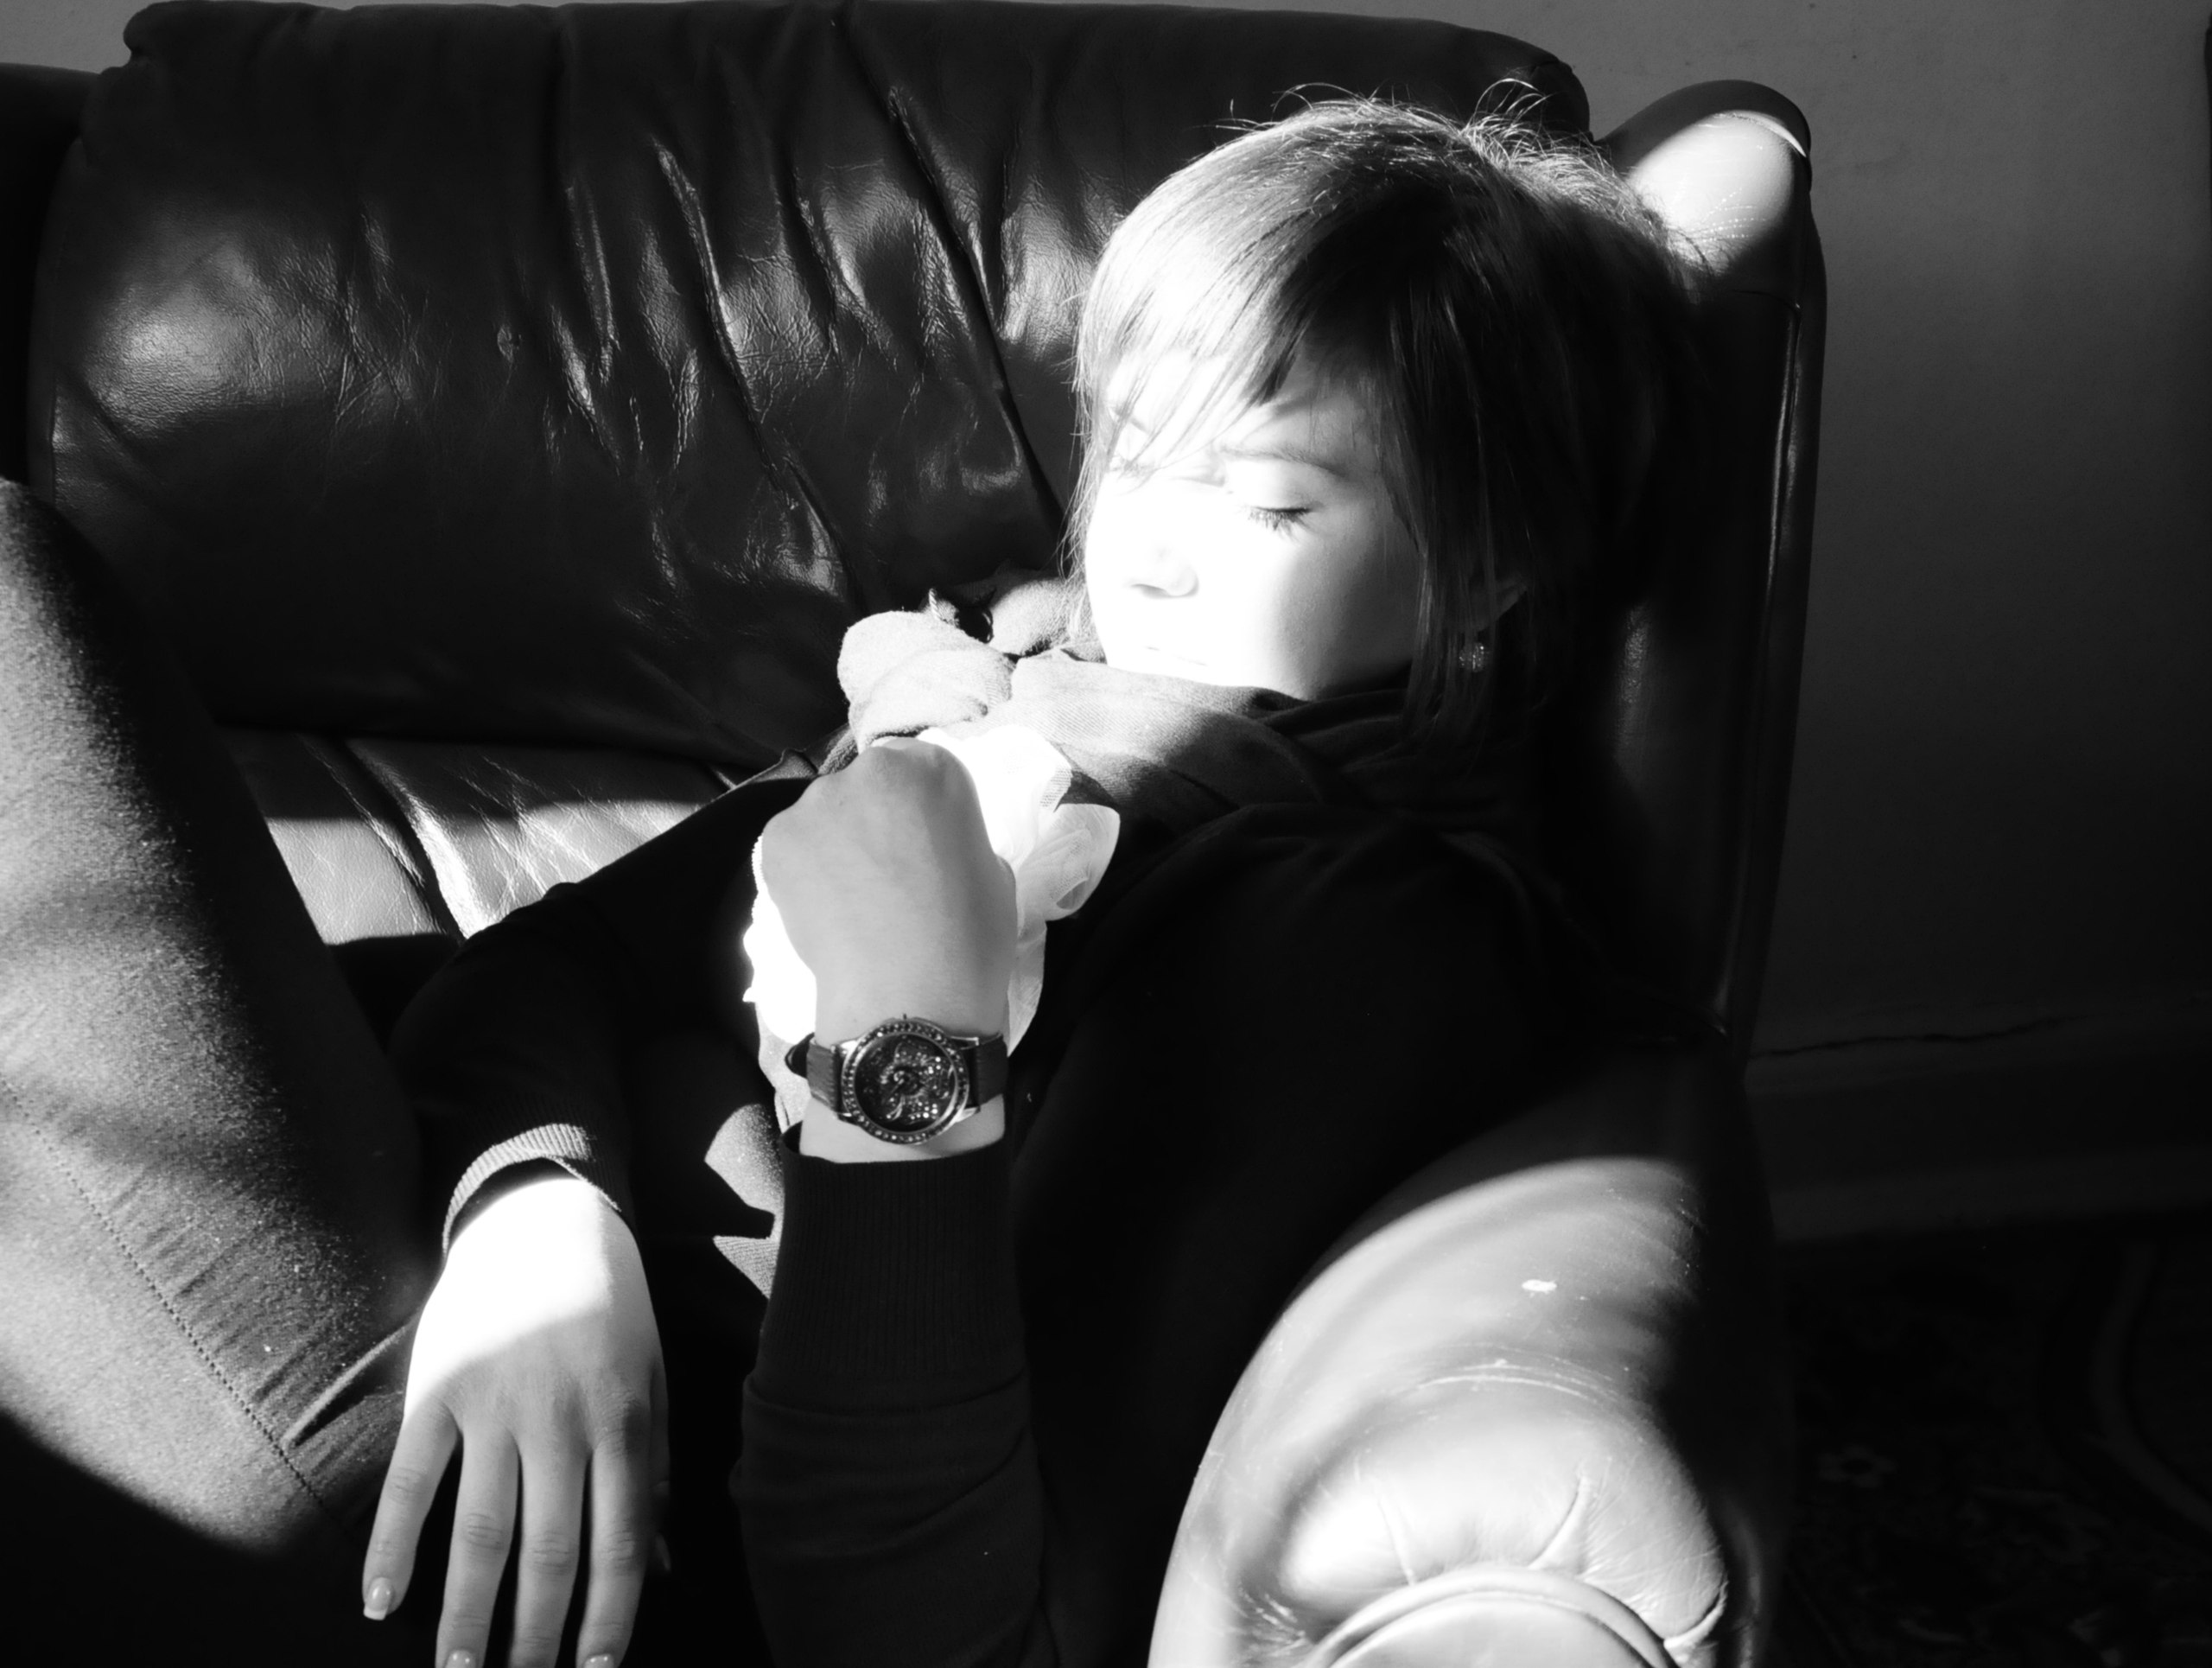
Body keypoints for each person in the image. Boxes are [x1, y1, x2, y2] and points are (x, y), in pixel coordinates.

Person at [0, 99, 1701, 1668]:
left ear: (1491, 570)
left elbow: (919, 1623)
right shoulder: (1025, 725)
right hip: (481, 1329)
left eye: (1267, 501)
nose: (1152, 548)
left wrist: (910, 1037)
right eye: (1137, 449)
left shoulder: (1369, 935)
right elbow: (550, 964)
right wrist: (537, 1209)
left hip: (525, 1578)